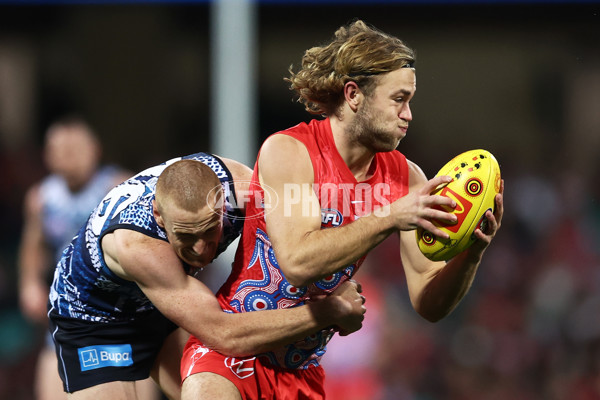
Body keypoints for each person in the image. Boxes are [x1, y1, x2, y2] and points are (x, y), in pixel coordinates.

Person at [181, 19, 505, 399]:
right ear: (354, 95)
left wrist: (471, 254)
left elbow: (428, 304)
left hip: (303, 374)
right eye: (398, 99)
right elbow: (298, 262)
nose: (408, 115)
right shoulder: (289, 151)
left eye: (410, 101)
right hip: (231, 355)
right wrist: (392, 215)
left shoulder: (407, 179)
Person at [47, 151, 367, 399]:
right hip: (96, 318)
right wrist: (328, 311)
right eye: (186, 236)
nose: (201, 250)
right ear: (159, 215)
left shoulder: (243, 190)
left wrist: (336, 279)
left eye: (209, 231)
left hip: (170, 298)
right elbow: (225, 335)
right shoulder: (137, 244)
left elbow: (305, 236)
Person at [17, 116, 131, 400]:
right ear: (47, 156)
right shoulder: (41, 198)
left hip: (114, 316)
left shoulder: (119, 189)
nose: (69, 158)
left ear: (96, 149)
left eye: (76, 150)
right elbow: (33, 245)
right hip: (65, 314)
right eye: (61, 151)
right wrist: (29, 283)